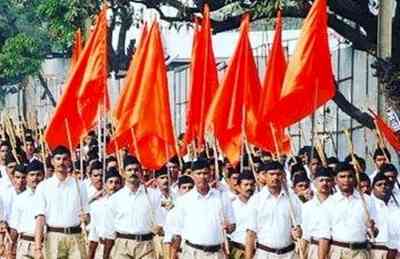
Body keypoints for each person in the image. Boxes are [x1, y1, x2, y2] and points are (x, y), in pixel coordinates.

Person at [171, 158, 236, 259]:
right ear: (192, 175)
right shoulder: (183, 201)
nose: (202, 177)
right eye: (199, 173)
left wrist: (229, 227)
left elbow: (232, 226)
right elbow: (176, 233)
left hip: (216, 253)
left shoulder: (222, 197)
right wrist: (173, 255)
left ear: (210, 174)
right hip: (192, 253)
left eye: (205, 173)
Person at [33, 145, 89, 259]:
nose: (61, 162)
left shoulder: (79, 185)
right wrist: (38, 248)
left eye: (65, 159)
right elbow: (40, 219)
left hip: (76, 236)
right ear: (52, 161)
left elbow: (87, 216)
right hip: (53, 237)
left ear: (69, 161)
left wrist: (86, 218)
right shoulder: (43, 187)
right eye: (58, 159)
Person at [102, 155, 163, 259]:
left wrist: (159, 227)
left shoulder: (152, 195)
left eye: (136, 170)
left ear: (140, 172)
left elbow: (161, 221)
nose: (133, 173)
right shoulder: (115, 198)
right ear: (123, 172)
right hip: (122, 245)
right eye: (129, 170)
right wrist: (106, 256)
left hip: (146, 245)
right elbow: (109, 232)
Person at [317, 162, 378, 259]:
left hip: (360, 253)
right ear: (335, 180)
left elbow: (374, 233)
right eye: (342, 176)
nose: (346, 180)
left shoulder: (367, 200)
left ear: (355, 178)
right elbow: (324, 237)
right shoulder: (329, 203)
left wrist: (372, 229)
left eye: (350, 176)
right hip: (337, 253)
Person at [245, 161, 302, 259]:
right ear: (264, 176)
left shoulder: (292, 199)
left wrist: (298, 232)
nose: (275, 177)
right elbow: (250, 234)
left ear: (283, 175)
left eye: (278, 174)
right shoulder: (256, 200)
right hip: (264, 254)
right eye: (271, 174)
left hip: (289, 254)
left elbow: (298, 227)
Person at [9, 160, 44, 259]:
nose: (35, 178)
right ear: (27, 177)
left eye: (38, 175)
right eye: (32, 175)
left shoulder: (51, 196)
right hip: (25, 245)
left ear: (44, 175)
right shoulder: (20, 199)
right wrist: (10, 248)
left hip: (45, 245)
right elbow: (14, 227)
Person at [88, 167, 122, 259]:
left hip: (120, 248)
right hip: (101, 248)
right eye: (110, 182)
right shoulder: (97, 205)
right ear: (105, 184)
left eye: (117, 182)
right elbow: (93, 233)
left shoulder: (125, 204)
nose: (114, 185)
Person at [302, 167, 334, 259]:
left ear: (333, 183)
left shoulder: (338, 204)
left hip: (334, 249)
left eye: (328, 180)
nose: (325, 183)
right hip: (313, 248)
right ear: (314, 183)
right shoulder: (307, 207)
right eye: (321, 180)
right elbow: (305, 235)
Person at [370, 173, 398, 259]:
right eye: (379, 185)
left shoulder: (396, 205)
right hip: (376, 250)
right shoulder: (368, 205)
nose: (383, 187)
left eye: (386, 184)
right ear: (373, 188)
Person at [229, 170, 256, 259]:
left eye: (252, 185)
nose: (249, 188)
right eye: (246, 185)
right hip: (237, 250)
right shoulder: (231, 206)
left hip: (257, 251)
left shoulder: (260, 204)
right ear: (238, 187)